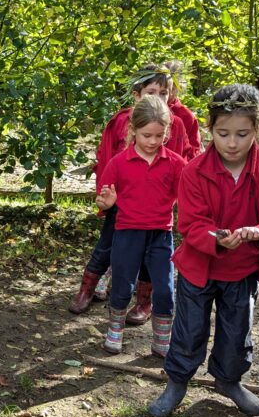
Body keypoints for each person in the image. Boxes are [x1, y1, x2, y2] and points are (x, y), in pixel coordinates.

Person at [147, 84, 259, 417]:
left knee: (237, 332)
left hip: (243, 269)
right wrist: (215, 238)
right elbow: (190, 224)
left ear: (257, 130)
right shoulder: (194, 171)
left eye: (241, 134)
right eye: (223, 133)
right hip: (198, 268)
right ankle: (177, 382)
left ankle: (228, 380)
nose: (231, 143)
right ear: (211, 130)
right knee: (189, 331)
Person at [69, 65, 192, 320]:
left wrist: (176, 202)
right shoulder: (121, 120)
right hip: (121, 200)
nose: (156, 98)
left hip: (155, 209)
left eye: (162, 93)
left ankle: (144, 303)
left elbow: (180, 164)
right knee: (107, 246)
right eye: (150, 91)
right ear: (137, 94)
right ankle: (87, 289)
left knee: (152, 257)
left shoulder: (176, 124)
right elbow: (105, 158)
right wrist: (105, 199)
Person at [95, 95, 185, 356]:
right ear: (133, 131)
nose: (153, 141)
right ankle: (115, 329)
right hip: (127, 233)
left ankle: (162, 338)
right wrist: (108, 201)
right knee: (122, 283)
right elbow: (103, 198)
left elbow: (189, 196)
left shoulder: (176, 164)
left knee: (166, 288)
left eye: (160, 135)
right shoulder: (119, 163)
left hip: (160, 234)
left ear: (167, 132)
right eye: (147, 135)